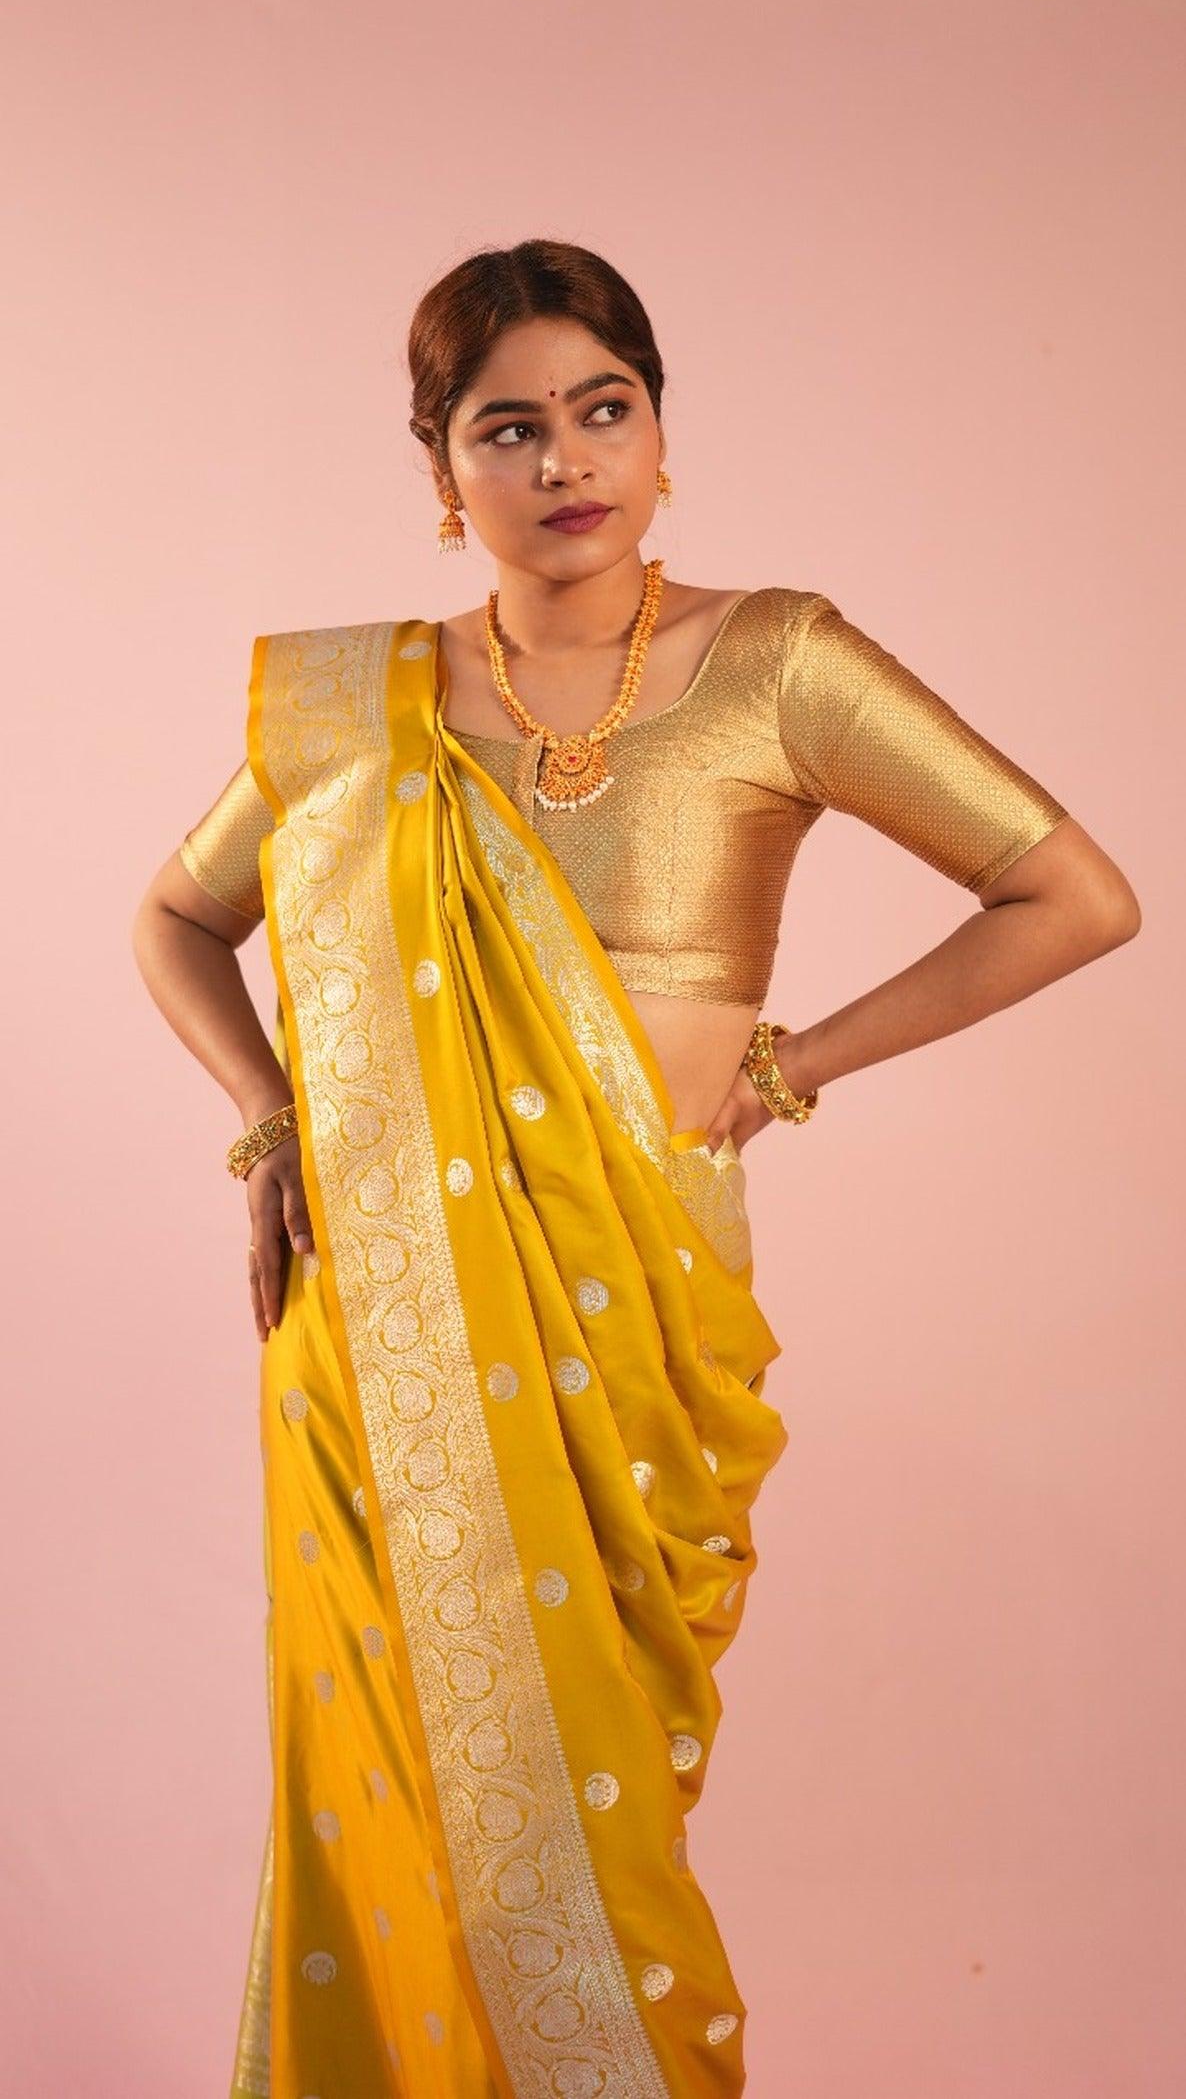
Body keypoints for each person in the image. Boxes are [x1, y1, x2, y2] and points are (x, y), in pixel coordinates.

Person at [131, 238, 1139, 2099]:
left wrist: (796, 1063)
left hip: (640, 1310)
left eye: (605, 409)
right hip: (387, 1341)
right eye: (507, 427)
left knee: (598, 1812)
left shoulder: (778, 662)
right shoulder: (356, 710)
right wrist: (269, 1124)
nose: (566, 458)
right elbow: (177, 920)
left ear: (664, 433)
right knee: (407, 1789)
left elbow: (1073, 895)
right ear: (443, 471)